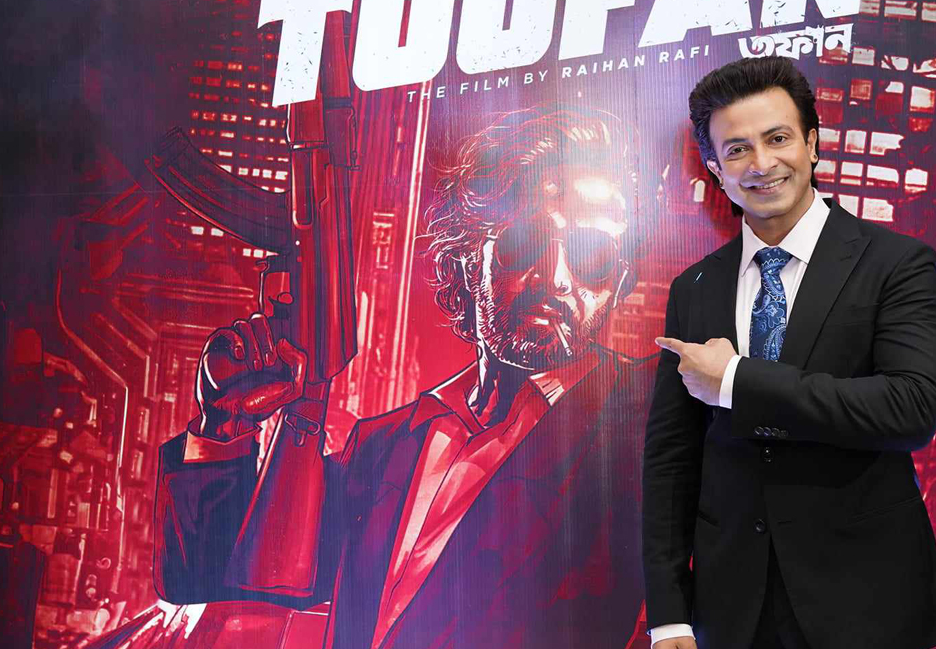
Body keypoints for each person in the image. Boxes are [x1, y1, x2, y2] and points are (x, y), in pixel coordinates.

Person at [152, 105, 656, 649]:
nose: (554, 279)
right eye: (524, 243)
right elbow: (212, 585)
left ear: (619, 283)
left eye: (592, 256)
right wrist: (222, 430)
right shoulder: (383, 445)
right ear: (469, 261)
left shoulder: (649, 429)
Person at [642, 56, 936, 649]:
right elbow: (671, 460)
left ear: (812, 144)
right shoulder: (694, 288)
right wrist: (669, 615)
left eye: (778, 138)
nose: (762, 164)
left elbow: (911, 408)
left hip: (865, 601)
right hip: (731, 608)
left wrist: (737, 381)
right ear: (715, 169)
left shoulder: (896, 263)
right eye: (737, 150)